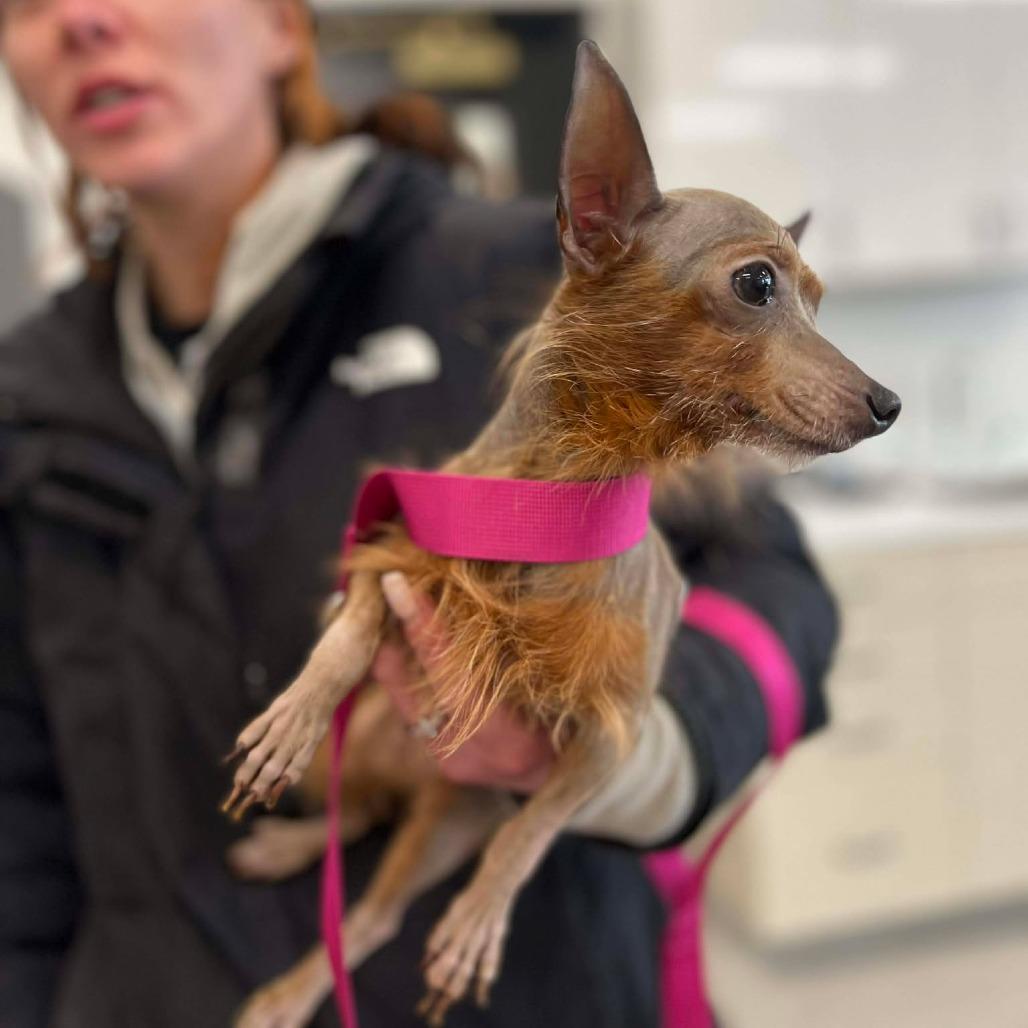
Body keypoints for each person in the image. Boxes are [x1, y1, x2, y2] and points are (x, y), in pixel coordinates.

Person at [0, 2, 838, 1026]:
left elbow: (771, 583)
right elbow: (18, 793)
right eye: (29, 2)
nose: (82, 19)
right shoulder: (28, 392)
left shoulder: (520, 275)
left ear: (280, 26)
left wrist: (636, 757)